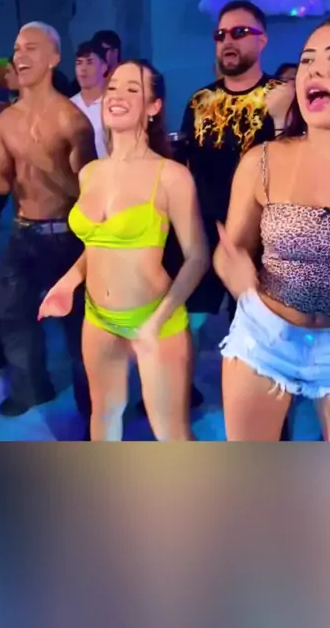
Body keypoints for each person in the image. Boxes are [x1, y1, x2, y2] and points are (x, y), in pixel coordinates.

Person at [39, 59, 209, 441]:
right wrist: (67, 282)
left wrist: (155, 322)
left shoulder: (171, 175)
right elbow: (97, 245)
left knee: (170, 432)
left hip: (155, 319)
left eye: (133, 89)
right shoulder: (90, 172)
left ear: (154, 106)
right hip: (97, 318)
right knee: (104, 415)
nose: (117, 96)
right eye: (113, 87)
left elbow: (198, 256)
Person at [214, 15, 330, 441]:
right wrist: (236, 278)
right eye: (307, 61)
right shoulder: (262, 160)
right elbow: (229, 249)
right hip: (264, 334)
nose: (316, 71)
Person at [0, 22, 97, 428]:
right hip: (22, 228)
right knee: (13, 315)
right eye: (16, 48)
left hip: (66, 234)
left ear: (53, 58)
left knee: (79, 327)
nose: (20, 56)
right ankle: (31, 388)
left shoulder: (72, 120)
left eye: (31, 48)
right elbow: (2, 181)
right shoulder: (6, 120)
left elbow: (88, 190)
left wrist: (44, 163)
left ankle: (91, 403)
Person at [180, 1, 289, 322]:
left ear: (262, 40)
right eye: (220, 35)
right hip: (206, 232)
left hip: (262, 237)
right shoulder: (200, 101)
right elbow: (187, 166)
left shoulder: (283, 96)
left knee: (255, 326)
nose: (227, 40)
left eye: (239, 32)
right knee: (193, 324)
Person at [71, 41, 108, 158]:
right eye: (79, 63)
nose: (83, 68)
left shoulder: (112, 104)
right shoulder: (69, 106)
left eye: (89, 62)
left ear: (103, 67)